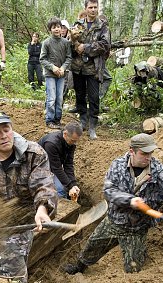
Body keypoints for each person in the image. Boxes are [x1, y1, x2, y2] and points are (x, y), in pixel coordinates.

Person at [64, 133, 163, 275]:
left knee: (133, 269)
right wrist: (130, 200)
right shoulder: (118, 166)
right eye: (144, 153)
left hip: (137, 228)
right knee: (91, 249)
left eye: (150, 153)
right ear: (132, 151)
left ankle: (137, 257)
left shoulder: (158, 171)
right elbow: (109, 191)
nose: (148, 157)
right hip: (114, 221)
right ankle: (78, 268)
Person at [0, 111, 58, 283]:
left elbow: (43, 185)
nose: (3, 136)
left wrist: (43, 209)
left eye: (6, 130)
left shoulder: (34, 154)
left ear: (12, 129)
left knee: (12, 277)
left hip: (21, 225)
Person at [70, 0, 110, 140]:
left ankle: (93, 126)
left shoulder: (102, 26)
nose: (93, 10)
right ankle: (83, 121)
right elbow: (70, 43)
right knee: (80, 95)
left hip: (93, 68)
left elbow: (105, 45)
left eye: (95, 7)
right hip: (78, 67)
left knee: (93, 98)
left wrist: (85, 47)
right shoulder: (77, 24)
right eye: (90, 7)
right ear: (85, 9)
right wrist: (73, 43)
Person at [40, 17, 72, 129]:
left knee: (60, 98)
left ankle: (57, 119)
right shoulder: (46, 43)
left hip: (61, 75)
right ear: (50, 29)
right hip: (50, 75)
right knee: (51, 98)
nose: (57, 29)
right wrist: (52, 67)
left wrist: (63, 68)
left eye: (58, 27)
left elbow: (69, 58)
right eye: (54, 27)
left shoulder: (66, 43)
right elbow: (42, 59)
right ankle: (49, 120)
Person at [38, 121, 82, 200]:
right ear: (65, 134)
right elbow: (56, 168)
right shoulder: (51, 144)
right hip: (39, 168)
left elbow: (68, 164)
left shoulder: (71, 143)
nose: (74, 143)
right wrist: (69, 186)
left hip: (53, 166)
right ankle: (61, 210)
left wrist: (73, 184)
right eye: (73, 140)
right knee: (60, 189)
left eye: (76, 141)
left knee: (67, 185)